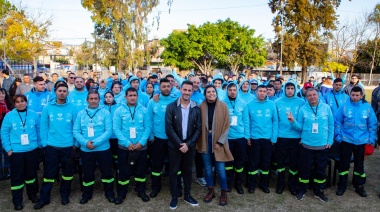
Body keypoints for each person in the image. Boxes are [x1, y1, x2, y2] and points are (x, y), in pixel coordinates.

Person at [34, 83, 78, 209]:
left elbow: (76, 127)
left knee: (67, 174)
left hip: (68, 147)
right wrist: (44, 144)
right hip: (51, 147)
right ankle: (44, 198)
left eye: (65, 91)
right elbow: (43, 127)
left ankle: (65, 195)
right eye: (60, 90)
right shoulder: (48, 107)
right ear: (55, 92)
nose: (62, 93)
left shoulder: (73, 108)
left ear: (68, 93)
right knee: (49, 174)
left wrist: (75, 144)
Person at [288, 87, 334, 202]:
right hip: (306, 146)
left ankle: (318, 191)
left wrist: (330, 141)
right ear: (306, 97)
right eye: (309, 95)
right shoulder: (303, 109)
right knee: (304, 169)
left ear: (318, 95)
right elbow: (300, 128)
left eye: (314, 95)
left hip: (322, 146)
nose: (312, 97)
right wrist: (293, 121)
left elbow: (331, 125)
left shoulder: (326, 108)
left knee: (320, 170)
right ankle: (301, 189)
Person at [73, 90, 115, 204]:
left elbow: (109, 131)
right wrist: (85, 142)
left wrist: (95, 143)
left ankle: (109, 193)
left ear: (99, 100)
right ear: (87, 100)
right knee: (87, 173)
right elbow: (76, 131)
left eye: (95, 98)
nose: (93, 101)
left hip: (103, 149)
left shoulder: (105, 112)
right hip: (86, 149)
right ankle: (87, 194)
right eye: (91, 99)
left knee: (107, 172)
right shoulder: (81, 113)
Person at [334, 86, 377, 197]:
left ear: (362, 95)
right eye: (353, 95)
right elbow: (337, 122)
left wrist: (371, 139)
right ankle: (342, 185)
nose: (355, 97)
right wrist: (338, 136)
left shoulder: (367, 107)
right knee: (344, 164)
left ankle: (359, 185)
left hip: (362, 141)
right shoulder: (344, 106)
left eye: (357, 95)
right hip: (346, 140)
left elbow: (372, 124)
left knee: (359, 165)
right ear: (350, 95)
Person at [165, 81, 201, 210]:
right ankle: (174, 196)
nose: (186, 92)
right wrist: (180, 144)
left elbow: (198, 129)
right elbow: (169, 128)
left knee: (187, 171)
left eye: (189, 90)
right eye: (184, 90)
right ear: (180, 89)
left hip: (189, 145)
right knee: (174, 171)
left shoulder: (196, 108)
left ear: (192, 91)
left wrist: (188, 144)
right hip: (175, 146)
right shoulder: (171, 106)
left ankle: (187, 195)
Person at [1, 94, 41, 210]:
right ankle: (17, 200)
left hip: (32, 150)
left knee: (31, 175)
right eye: (17, 102)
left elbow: (38, 130)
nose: (20, 103)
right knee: (17, 177)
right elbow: (4, 133)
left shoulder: (33, 114)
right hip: (16, 151)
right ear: (14, 103)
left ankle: (32, 195)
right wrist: (8, 149)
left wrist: (38, 144)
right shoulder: (9, 116)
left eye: (22, 101)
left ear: (26, 102)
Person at [113, 87, 152, 204]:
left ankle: (141, 191)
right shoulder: (119, 111)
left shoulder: (144, 110)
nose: (132, 97)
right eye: (130, 95)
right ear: (125, 97)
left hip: (141, 147)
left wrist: (141, 143)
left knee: (140, 171)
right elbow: (116, 128)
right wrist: (127, 143)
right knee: (123, 171)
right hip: (124, 147)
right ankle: (121, 193)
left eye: (134, 95)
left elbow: (148, 127)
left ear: (137, 96)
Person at [197, 84, 232, 206]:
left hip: (219, 140)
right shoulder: (200, 107)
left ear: (216, 93)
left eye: (213, 91)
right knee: (207, 168)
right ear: (205, 94)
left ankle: (223, 192)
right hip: (205, 139)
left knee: (221, 169)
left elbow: (227, 125)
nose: (211, 94)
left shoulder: (223, 106)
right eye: (208, 92)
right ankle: (210, 190)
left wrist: (220, 142)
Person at [147, 78, 177, 198]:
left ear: (171, 87)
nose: (166, 88)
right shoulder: (153, 101)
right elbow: (148, 120)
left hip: (172, 138)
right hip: (157, 139)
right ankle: (155, 187)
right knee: (156, 165)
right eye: (163, 86)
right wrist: (151, 137)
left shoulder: (175, 100)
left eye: (168, 86)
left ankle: (175, 187)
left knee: (174, 164)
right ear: (159, 88)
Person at [274, 81, 305, 195]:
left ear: (295, 89)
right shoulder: (277, 102)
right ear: (284, 89)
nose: (290, 90)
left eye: (292, 88)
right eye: (288, 88)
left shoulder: (301, 102)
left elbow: (303, 121)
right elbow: (275, 121)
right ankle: (280, 185)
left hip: (295, 137)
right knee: (280, 163)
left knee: (294, 163)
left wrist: (294, 122)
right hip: (281, 137)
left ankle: (292, 185)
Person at [247, 85, 278, 194]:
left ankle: (264, 184)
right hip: (254, 139)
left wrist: (274, 137)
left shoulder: (271, 104)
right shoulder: (250, 105)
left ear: (267, 93)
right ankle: (252, 184)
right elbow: (247, 122)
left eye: (264, 91)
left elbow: (275, 121)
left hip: (268, 139)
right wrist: (248, 136)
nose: (262, 93)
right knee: (253, 163)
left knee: (266, 163)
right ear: (256, 92)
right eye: (260, 91)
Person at [222, 83, 249, 194]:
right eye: (230, 90)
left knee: (239, 163)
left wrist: (247, 136)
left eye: (234, 90)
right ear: (227, 91)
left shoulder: (243, 103)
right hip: (227, 138)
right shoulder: (222, 103)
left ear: (237, 91)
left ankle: (238, 184)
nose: (232, 92)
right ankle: (228, 184)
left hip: (240, 138)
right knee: (228, 163)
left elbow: (246, 121)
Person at [103, 92, 120, 166]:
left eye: (110, 97)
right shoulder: (101, 107)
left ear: (113, 98)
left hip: (115, 134)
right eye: (106, 97)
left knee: (115, 150)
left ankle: (115, 162)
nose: (108, 98)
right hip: (105, 134)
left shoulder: (118, 107)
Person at [0, 88, 14, 180]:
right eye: (0, 93)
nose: (1, 95)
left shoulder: (9, 104)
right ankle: (1, 170)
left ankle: (7, 168)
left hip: (7, 131)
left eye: (3, 93)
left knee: (6, 150)